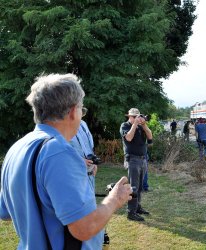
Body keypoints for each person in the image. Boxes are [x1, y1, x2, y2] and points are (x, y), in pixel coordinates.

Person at [0, 73, 132, 249]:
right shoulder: (59, 152)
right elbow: (85, 228)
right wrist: (115, 199)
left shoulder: (17, 148)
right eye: (81, 110)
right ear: (72, 111)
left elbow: (6, 213)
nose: (81, 115)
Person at [120, 108, 153, 221]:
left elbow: (150, 137)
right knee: (133, 187)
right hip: (133, 159)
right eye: (133, 117)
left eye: (137, 117)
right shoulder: (125, 125)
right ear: (129, 116)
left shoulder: (141, 126)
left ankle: (137, 207)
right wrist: (134, 124)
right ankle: (131, 212)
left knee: (139, 187)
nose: (136, 119)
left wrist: (143, 125)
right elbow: (128, 138)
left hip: (143, 159)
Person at [70, 119, 97, 186]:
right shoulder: (62, 125)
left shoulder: (83, 123)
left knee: (90, 196)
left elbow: (90, 146)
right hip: (75, 175)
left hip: (90, 174)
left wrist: (94, 163)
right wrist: (79, 160)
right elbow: (61, 151)